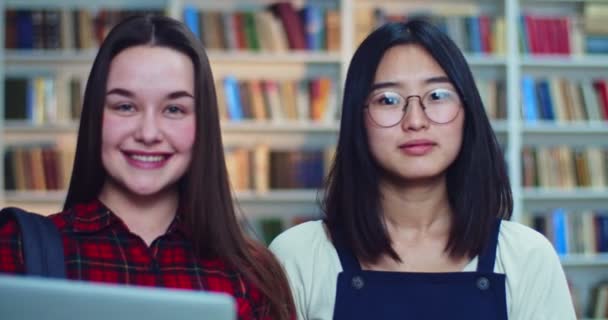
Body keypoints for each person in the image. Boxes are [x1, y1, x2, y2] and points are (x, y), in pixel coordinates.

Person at [269, 19, 576, 320]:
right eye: (388, 99)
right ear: (356, 119)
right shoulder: (299, 255)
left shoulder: (526, 256)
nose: (415, 120)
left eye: (437, 96)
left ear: (467, 113)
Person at [0, 15, 294, 320]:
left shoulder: (252, 275)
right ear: (95, 117)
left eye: (174, 109)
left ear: (202, 125)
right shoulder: (17, 249)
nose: (148, 133)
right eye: (125, 106)